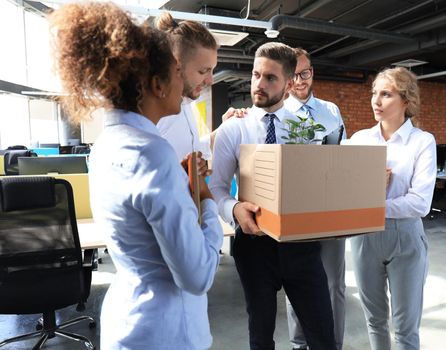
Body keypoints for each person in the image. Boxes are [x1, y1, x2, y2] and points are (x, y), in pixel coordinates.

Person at [48, 3, 223, 349]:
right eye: (176, 70)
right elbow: (198, 275)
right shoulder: (152, 154)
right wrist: (205, 198)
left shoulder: (106, 146)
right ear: (158, 84)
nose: (182, 80)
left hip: (128, 320)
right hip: (167, 332)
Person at [209, 42, 336, 350]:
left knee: (322, 334)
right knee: (261, 334)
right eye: (256, 75)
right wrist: (234, 208)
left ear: (290, 83)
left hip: (301, 244)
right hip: (254, 245)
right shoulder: (233, 129)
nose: (259, 85)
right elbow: (216, 186)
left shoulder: (307, 129)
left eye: (270, 78)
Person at [341, 67, 436, 350]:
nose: (376, 101)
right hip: (363, 238)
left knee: (406, 327)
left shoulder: (422, 142)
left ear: (406, 101)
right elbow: (343, 196)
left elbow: (420, 203)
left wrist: (371, 201)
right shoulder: (358, 140)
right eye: (374, 93)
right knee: (374, 320)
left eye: (386, 94)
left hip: (404, 238)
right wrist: (367, 197)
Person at [283, 47, 347, 350]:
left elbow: (343, 155)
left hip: (330, 207)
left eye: (304, 72)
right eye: (293, 74)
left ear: (312, 72)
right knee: (297, 281)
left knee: (334, 284)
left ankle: (332, 343)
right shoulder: (278, 113)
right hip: (296, 209)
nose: (299, 80)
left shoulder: (331, 111)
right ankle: (299, 344)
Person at [155, 13, 219, 162]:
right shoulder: (156, 113)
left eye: (212, 70)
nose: (210, 80)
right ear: (176, 64)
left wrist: (227, 129)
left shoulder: (187, 105)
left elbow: (195, 150)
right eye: (203, 71)